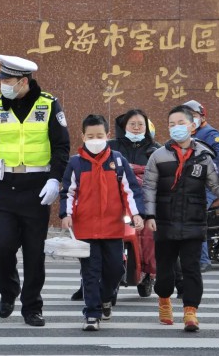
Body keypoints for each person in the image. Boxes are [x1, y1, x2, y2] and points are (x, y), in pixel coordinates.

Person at [0, 55, 70, 327]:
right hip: (4, 188)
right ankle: (9, 291)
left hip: (37, 189)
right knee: (2, 248)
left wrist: (55, 180)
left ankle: (32, 307)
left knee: (34, 253)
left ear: (23, 81)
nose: (3, 85)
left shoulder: (48, 104)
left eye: (8, 81)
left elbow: (61, 147)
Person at [143, 105, 219, 332]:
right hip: (164, 220)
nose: (176, 128)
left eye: (180, 123)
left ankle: (190, 312)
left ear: (193, 126)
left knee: (192, 268)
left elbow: (216, 185)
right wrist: (150, 215)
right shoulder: (158, 156)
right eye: (171, 124)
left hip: (194, 220)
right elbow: (149, 187)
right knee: (165, 269)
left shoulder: (203, 156)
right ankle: (164, 300)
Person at [59, 114, 145, 331]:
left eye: (99, 135)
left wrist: (136, 214)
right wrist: (66, 215)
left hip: (113, 228)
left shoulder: (118, 161)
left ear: (107, 135)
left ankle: (107, 297)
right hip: (85, 229)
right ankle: (92, 314)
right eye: (90, 136)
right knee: (90, 272)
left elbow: (130, 190)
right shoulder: (75, 163)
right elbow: (68, 192)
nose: (95, 139)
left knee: (116, 270)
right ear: (82, 136)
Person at [70, 109, 159, 301]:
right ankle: (87, 286)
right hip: (114, 205)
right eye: (132, 124)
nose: (136, 128)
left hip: (142, 202)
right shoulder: (111, 149)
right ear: (123, 127)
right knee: (90, 252)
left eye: (140, 124)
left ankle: (151, 275)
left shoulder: (155, 150)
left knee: (152, 237)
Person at [183, 100, 219, 273]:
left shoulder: (210, 134)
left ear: (202, 116)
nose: (191, 120)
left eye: (194, 116)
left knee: (195, 216)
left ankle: (203, 259)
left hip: (206, 186)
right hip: (189, 185)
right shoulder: (184, 135)